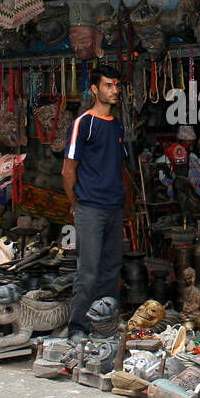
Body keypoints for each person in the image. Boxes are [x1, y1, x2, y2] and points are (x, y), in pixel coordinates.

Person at [63, 65, 128, 341]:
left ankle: (104, 325)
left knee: (110, 270)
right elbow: (68, 170)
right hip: (90, 207)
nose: (114, 91)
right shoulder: (83, 123)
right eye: (108, 86)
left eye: (116, 85)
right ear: (94, 89)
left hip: (114, 207)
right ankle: (78, 327)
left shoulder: (118, 125)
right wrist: (75, 204)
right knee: (88, 271)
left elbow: (120, 167)